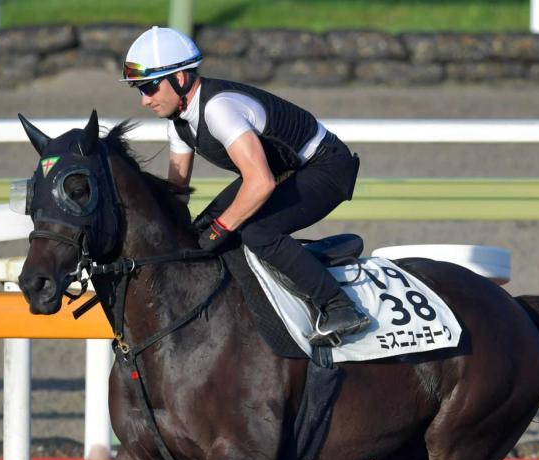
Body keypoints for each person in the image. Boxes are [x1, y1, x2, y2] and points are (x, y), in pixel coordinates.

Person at [121, 26, 369, 345]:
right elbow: (176, 194)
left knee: (256, 232)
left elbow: (261, 183)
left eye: (150, 87)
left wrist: (221, 229)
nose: (144, 100)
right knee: (203, 229)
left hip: (326, 167)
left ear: (179, 78)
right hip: (285, 170)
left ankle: (340, 307)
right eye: (139, 90)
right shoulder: (179, 123)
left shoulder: (219, 109)